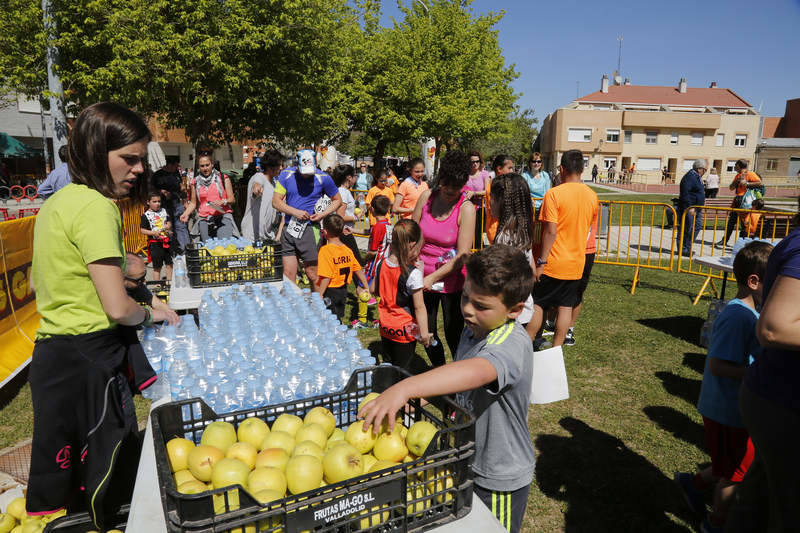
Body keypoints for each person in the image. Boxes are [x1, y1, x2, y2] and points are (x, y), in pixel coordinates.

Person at [27, 102, 175, 527]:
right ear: (95, 151)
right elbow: (117, 308)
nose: (139, 170)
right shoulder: (97, 208)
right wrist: (150, 314)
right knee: (107, 477)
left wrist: (120, 267)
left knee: (63, 470)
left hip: (53, 356)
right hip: (93, 360)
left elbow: (41, 282)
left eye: (141, 160)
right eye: (128, 159)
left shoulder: (55, 204)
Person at [359, 244, 536, 533]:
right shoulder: (474, 328)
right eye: (465, 297)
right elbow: (460, 381)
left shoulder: (510, 344)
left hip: (498, 475)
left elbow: (477, 370)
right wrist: (424, 397)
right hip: (465, 457)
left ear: (515, 310)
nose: (467, 309)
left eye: (481, 305)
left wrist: (408, 387)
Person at [674, 241, 771, 533]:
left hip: (736, 410)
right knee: (735, 475)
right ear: (754, 282)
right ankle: (715, 525)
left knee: (731, 465)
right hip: (727, 411)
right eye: (775, 281)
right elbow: (717, 365)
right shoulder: (737, 316)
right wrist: (756, 372)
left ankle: (692, 484)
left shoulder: (751, 314)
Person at [724, 212, 800, 533]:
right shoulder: (735, 315)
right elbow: (773, 327)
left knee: (757, 497)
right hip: (785, 400)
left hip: (773, 397)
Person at [525, 150, 598, 347]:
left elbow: (550, 231)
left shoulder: (554, 194)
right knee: (566, 306)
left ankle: (528, 343)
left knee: (539, 303)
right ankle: (557, 348)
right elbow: (589, 230)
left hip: (553, 261)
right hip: (577, 261)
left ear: (562, 169)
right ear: (582, 170)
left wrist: (541, 261)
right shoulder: (592, 196)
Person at [413, 150, 476, 366]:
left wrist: (433, 278)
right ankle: (439, 369)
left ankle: (459, 374)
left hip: (451, 282)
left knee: (453, 332)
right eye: (446, 185)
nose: (449, 191)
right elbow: (413, 235)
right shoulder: (426, 198)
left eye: (455, 188)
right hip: (421, 278)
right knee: (427, 332)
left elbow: (463, 255)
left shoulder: (466, 209)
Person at [273, 149, 342, 289]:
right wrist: (295, 212)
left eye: (309, 171)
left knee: (312, 273)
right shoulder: (286, 175)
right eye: (303, 171)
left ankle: (318, 304)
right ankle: (291, 307)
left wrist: (322, 214)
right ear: (297, 165)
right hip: (289, 228)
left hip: (310, 230)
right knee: (288, 273)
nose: (306, 175)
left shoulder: (323, 177)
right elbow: (276, 202)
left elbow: (337, 200)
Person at [372, 219, 432, 375]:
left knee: (388, 363)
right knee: (402, 370)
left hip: (385, 326)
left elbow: (373, 289)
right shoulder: (413, 274)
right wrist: (424, 333)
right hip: (404, 330)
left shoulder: (381, 263)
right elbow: (419, 307)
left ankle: (385, 389)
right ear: (412, 244)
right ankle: (400, 397)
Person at [489, 173, 535, 325]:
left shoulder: (506, 238)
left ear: (503, 202)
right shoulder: (520, 232)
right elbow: (532, 272)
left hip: (510, 313)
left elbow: (501, 279)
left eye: (492, 197)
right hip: (520, 309)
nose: (489, 202)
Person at [315, 214, 369, 321]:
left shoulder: (326, 251)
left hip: (330, 291)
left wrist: (320, 294)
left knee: (329, 319)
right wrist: (366, 286)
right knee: (337, 317)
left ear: (325, 232)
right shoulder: (347, 250)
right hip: (343, 290)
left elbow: (326, 276)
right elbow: (358, 269)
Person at [180, 152, 238, 242]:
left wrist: (223, 201)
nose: (205, 168)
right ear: (199, 167)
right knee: (207, 249)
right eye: (202, 166)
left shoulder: (223, 178)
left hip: (222, 216)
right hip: (205, 219)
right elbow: (193, 203)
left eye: (207, 165)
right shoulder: (195, 182)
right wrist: (185, 214)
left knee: (223, 245)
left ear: (212, 165)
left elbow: (232, 199)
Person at [564, 210, 599, 347]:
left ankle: (569, 329)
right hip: (567, 249)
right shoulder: (560, 193)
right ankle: (554, 323)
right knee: (562, 289)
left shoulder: (590, 197)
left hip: (583, 249)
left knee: (576, 292)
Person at [717, 160, 762, 249]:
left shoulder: (750, 174)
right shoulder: (738, 175)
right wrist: (736, 181)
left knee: (744, 223)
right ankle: (725, 240)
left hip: (745, 201)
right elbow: (731, 188)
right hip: (737, 201)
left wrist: (747, 183)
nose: (734, 167)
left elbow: (760, 183)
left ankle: (741, 242)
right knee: (731, 222)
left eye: (735, 165)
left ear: (739, 165)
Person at [240, 149, 283, 243]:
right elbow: (257, 184)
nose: (281, 168)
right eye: (279, 165)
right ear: (270, 166)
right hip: (251, 235)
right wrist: (256, 189)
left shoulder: (275, 183)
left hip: (267, 235)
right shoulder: (259, 176)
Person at [123, 253, 179, 323]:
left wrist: (172, 314)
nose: (144, 281)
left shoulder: (138, 285)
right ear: (122, 278)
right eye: (139, 279)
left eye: (144, 275)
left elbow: (155, 302)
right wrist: (150, 315)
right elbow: (124, 313)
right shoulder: (115, 292)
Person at [151, 155, 189, 253]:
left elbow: (181, 187)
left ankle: (186, 250)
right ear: (170, 165)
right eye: (175, 166)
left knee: (181, 226)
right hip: (164, 206)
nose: (177, 168)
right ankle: (170, 251)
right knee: (168, 228)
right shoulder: (158, 175)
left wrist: (185, 202)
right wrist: (161, 191)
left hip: (177, 204)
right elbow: (151, 190)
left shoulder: (176, 173)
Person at [331, 164, 364, 266]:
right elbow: (340, 216)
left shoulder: (345, 191)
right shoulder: (343, 192)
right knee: (357, 263)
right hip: (344, 232)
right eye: (355, 175)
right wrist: (356, 217)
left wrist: (356, 201)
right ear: (349, 177)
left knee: (348, 263)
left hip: (345, 231)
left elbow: (346, 210)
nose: (356, 177)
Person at [140, 191, 173, 281]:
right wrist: (153, 233)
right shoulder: (145, 215)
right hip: (155, 244)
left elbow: (169, 222)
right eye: (154, 202)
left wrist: (168, 226)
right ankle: (157, 284)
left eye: (159, 201)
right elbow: (142, 230)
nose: (157, 204)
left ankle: (169, 282)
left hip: (166, 241)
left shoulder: (164, 211)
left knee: (169, 264)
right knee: (157, 267)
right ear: (148, 202)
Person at [678, 159, 707, 257]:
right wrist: (689, 207)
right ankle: (683, 249)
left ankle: (687, 246)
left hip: (697, 208)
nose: (705, 172)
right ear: (699, 169)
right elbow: (685, 193)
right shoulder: (690, 177)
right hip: (690, 208)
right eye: (704, 170)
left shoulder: (697, 177)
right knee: (686, 228)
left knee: (697, 226)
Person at [484, 154, 515, 244]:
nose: (512, 171)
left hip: (506, 231)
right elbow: (494, 212)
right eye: (509, 168)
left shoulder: (507, 185)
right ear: (499, 169)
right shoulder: (493, 187)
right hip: (496, 231)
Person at [364, 195, 393, 286]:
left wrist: (362, 261)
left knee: (362, 290)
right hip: (382, 263)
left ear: (372, 209)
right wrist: (352, 230)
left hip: (373, 265)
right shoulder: (387, 224)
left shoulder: (377, 227)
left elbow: (373, 251)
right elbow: (370, 231)